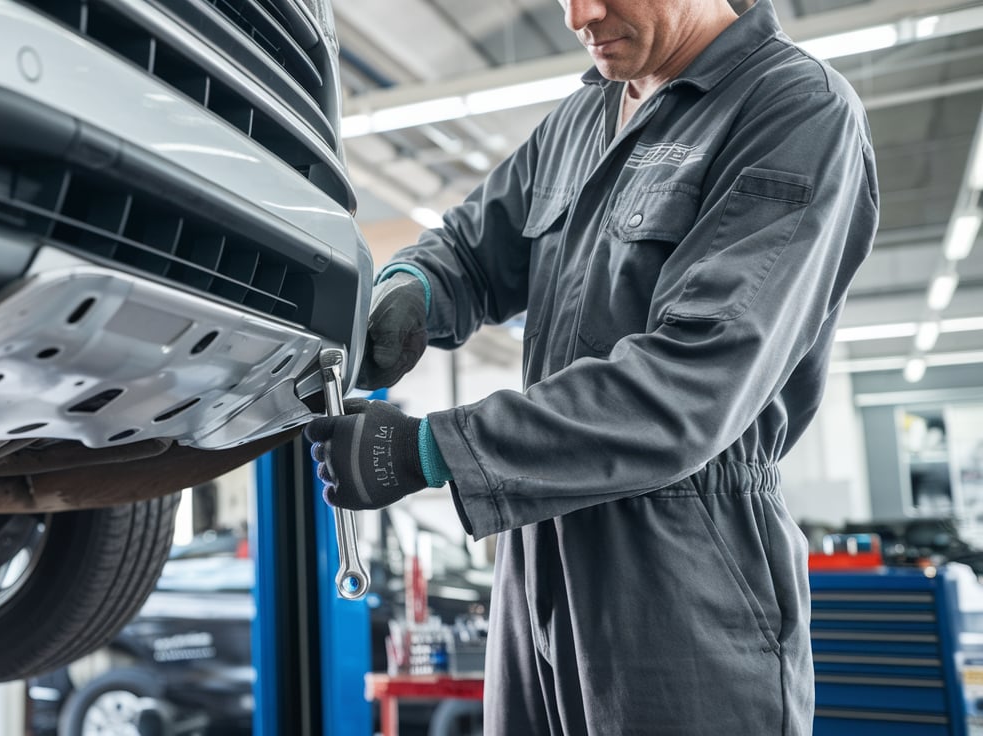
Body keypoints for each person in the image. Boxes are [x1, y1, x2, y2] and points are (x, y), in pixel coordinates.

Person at [305, 0, 878, 732]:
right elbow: (469, 248)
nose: (580, 15)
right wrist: (411, 289)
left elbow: (690, 386)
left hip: (682, 564)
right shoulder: (582, 121)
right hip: (536, 548)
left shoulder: (793, 109)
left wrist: (430, 451)